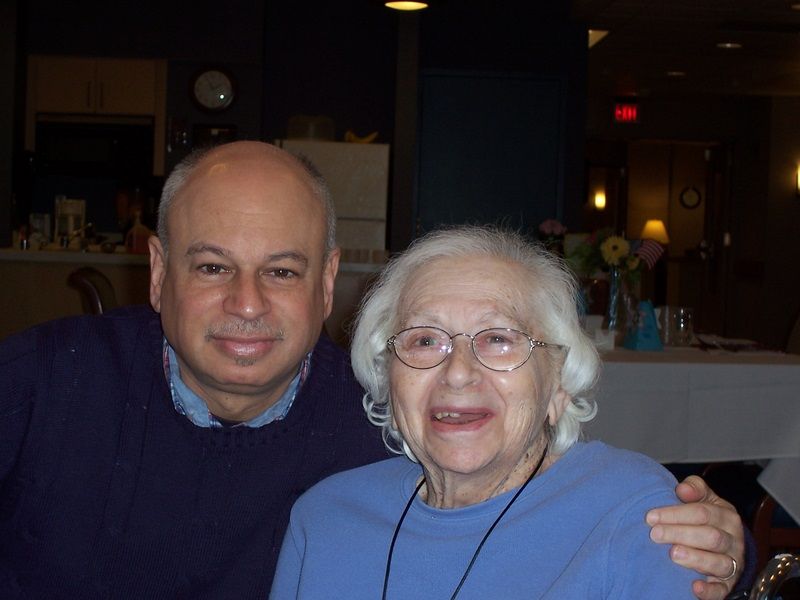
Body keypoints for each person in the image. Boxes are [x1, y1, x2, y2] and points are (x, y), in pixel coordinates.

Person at [0, 142, 745, 599]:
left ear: (327, 283)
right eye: (212, 266)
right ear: (160, 272)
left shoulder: (390, 429)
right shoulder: (39, 383)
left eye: (282, 271)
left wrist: (727, 549)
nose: (246, 304)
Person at [271, 225, 751, 599]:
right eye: (425, 340)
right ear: (386, 380)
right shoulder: (325, 518)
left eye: (499, 339)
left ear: (558, 383)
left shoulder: (633, 511)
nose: (458, 374)